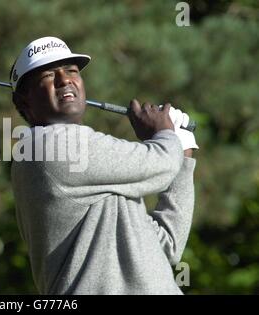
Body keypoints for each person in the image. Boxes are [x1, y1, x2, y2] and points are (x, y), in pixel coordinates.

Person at [10, 36, 198, 294]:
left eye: (72, 71)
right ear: (24, 103)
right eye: (48, 75)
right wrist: (165, 134)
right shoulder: (45, 146)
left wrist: (183, 151)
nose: (65, 80)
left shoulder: (102, 176)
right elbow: (162, 162)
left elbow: (167, 246)